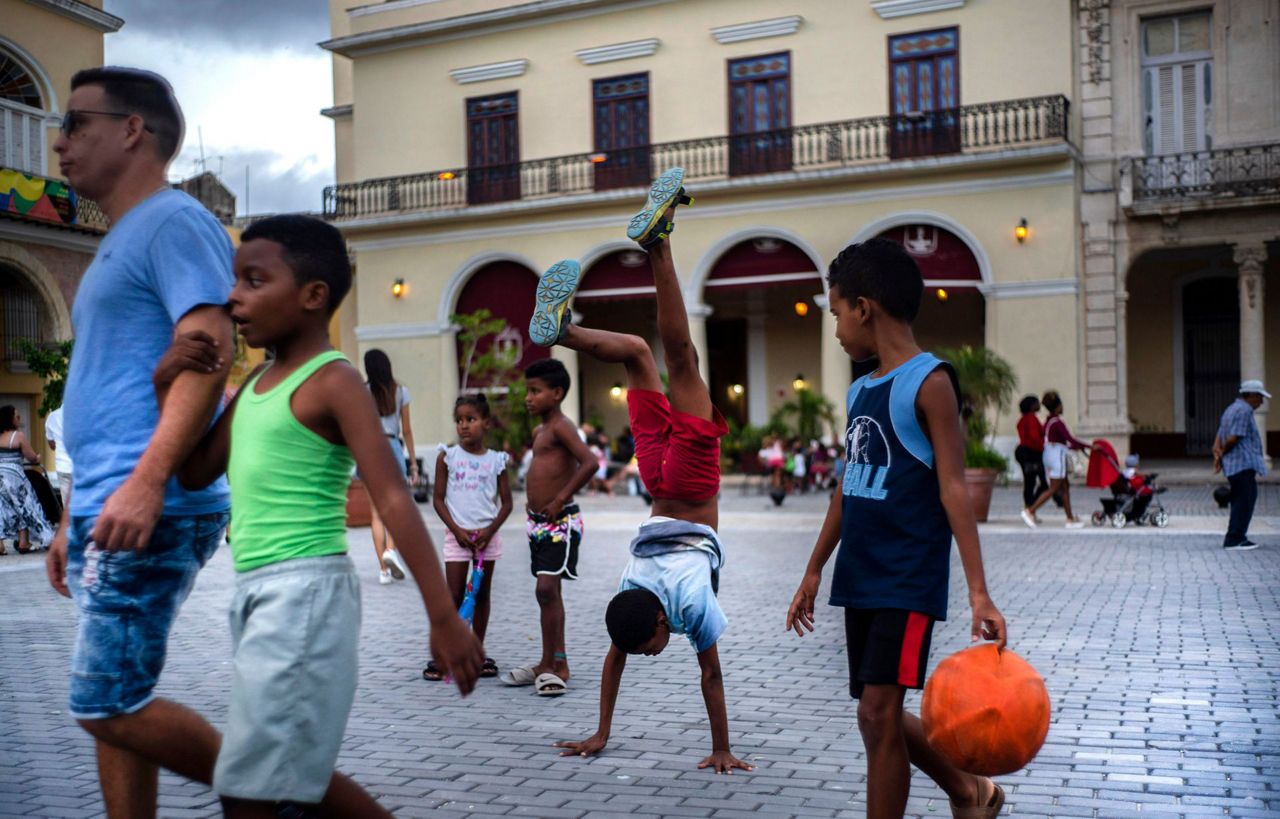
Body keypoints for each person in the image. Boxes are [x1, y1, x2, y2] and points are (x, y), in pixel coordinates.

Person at [155, 214, 483, 816]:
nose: (233, 297)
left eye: (254, 280)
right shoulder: (256, 383)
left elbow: (389, 497)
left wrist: (443, 615)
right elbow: (195, 470)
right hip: (256, 593)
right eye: (236, 280)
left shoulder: (333, 382)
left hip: (303, 595)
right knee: (288, 778)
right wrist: (165, 381)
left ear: (312, 296)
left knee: (250, 786)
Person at [44, 67, 237, 819]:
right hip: (110, 497)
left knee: (103, 701)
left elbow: (208, 346)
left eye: (75, 123)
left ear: (132, 129)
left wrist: (149, 479)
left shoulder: (174, 221)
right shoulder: (124, 238)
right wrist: (70, 515)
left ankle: (278, 786)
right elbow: (106, 385)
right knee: (120, 704)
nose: (59, 143)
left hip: (148, 500)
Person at [785, 237, 1008, 819]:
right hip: (861, 573)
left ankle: (968, 791)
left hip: (907, 577)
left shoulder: (930, 380)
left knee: (878, 712)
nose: (834, 329)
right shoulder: (861, 388)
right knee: (874, 709)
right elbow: (848, 483)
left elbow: (954, 487)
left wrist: (980, 592)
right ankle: (970, 791)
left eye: (835, 313)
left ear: (864, 307)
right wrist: (814, 566)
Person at [547, 168, 752, 773]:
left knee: (680, 361)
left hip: (686, 484)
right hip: (657, 483)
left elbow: (709, 674)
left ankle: (658, 241)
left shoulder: (684, 604)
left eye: (651, 646)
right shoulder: (632, 596)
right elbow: (615, 659)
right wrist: (599, 733)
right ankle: (566, 330)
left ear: (660, 620)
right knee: (638, 353)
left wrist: (721, 748)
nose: (652, 654)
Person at [498, 358, 596, 695]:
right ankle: (547, 661)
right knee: (546, 593)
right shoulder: (541, 431)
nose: (528, 397)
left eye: (535, 391)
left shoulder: (562, 427)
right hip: (538, 523)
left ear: (556, 393)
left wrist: (560, 497)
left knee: (546, 589)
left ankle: (560, 662)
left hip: (561, 522)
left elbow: (590, 462)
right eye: (528, 390)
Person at [427, 393, 513, 680]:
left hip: (486, 540)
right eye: (459, 420)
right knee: (453, 595)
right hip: (457, 537)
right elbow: (437, 500)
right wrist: (457, 530)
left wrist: (489, 532)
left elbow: (507, 503)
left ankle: (477, 650)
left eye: (471, 419)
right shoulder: (447, 457)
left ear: (486, 423)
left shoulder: (496, 461)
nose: (464, 426)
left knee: (481, 594)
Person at [362, 348, 417, 584]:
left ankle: (383, 571)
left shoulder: (363, 392)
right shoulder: (401, 391)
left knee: (376, 513)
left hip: (369, 448)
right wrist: (413, 462)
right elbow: (406, 429)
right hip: (392, 447)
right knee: (394, 507)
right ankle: (391, 551)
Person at [1213, 380, 1269, 551]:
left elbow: (1219, 436)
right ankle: (1235, 538)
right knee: (1244, 500)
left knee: (1242, 498)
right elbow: (1233, 438)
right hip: (1241, 463)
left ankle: (1236, 536)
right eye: (1260, 397)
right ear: (1251, 395)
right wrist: (1222, 452)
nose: (1262, 401)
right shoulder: (1244, 410)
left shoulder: (1231, 409)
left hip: (1235, 464)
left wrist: (1218, 454)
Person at [1022, 390, 1090, 528]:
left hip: (1048, 455)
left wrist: (1078, 446)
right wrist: (1090, 446)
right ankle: (1030, 511)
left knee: (1064, 487)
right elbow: (1069, 439)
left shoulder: (1048, 422)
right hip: (1056, 457)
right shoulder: (1057, 422)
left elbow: (1062, 441)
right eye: (1061, 405)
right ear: (1058, 406)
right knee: (1053, 488)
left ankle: (1070, 518)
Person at [0, 405, 54, 554]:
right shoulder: (17, 436)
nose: (19, 419)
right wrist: (37, 457)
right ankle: (45, 538)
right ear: (10, 419)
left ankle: (7, 544)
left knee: (4, 509)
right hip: (15, 477)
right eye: (17, 417)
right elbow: (31, 457)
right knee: (27, 507)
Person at [1014, 395, 1048, 512]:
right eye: (1037, 403)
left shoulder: (1023, 419)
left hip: (1024, 451)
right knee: (1039, 482)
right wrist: (1043, 446)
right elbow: (1034, 437)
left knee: (1030, 481)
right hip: (1031, 451)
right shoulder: (1031, 418)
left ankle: (1029, 506)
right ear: (1032, 406)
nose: (1039, 405)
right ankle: (1030, 507)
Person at [44, 405, 74, 510]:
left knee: (67, 505)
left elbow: (52, 444)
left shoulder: (52, 416)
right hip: (82, 467)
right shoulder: (84, 414)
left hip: (63, 466)